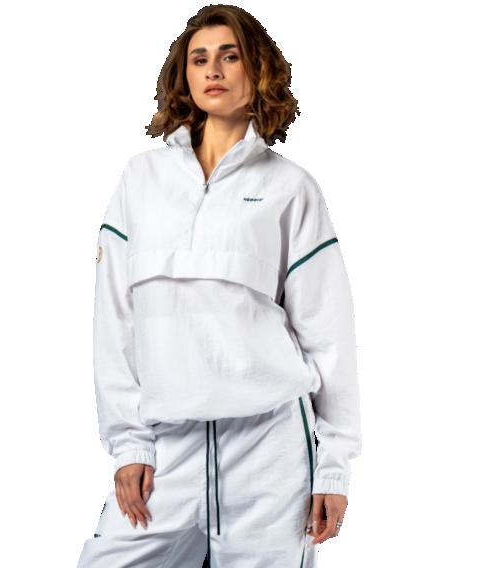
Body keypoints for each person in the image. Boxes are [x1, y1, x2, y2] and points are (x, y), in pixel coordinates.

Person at [76, 5, 362, 567]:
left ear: (257, 69)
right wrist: (129, 442)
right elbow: (115, 319)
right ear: (183, 74)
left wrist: (334, 466)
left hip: (270, 450)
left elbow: (328, 333)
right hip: (167, 446)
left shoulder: (290, 188)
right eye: (199, 58)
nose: (213, 69)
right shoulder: (141, 180)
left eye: (230, 56)